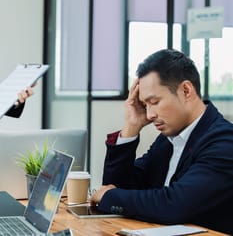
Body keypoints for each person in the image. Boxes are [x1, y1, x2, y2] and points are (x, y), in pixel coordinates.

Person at [90, 49, 233, 234]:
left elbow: (175, 205)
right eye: (145, 105)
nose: (149, 115)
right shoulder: (167, 139)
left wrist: (110, 196)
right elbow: (118, 187)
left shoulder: (224, 141)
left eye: (154, 102)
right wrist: (131, 126)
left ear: (186, 91)